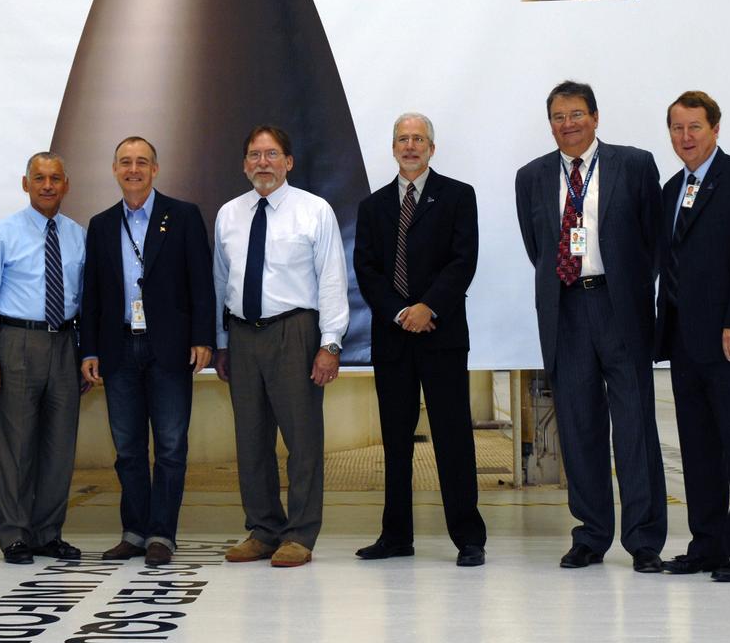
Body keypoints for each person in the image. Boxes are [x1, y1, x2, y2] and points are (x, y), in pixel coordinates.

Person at [514, 81, 667, 573]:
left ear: (596, 117)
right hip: (567, 312)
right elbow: (537, 247)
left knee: (634, 425)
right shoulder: (531, 176)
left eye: (577, 114)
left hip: (621, 309)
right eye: (558, 116)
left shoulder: (635, 164)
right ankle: (591, 535)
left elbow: (654, 240)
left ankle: (644, 540)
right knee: (578, 426)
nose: (568, 124)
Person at [353, 112, 487, 566]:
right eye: (402, 139)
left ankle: (469, 538)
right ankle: (396, 536)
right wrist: (399, 312)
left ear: (432, 147)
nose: (410, 146)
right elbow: (366, 270)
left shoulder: (457, 196)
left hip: (442, 334)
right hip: (393, 339)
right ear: (393, 148)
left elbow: (463, 259)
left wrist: (428, 307)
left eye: (419, 139)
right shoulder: (372, 207)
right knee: (394, 439)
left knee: (453, 436)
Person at [655, 90, 730, 583]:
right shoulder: (671, 190)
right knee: (698, 448)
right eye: (677, 129)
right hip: (686, 341)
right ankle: (707, 544)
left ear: (716, 129)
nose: (685, 138)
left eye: (695, 128)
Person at [213, 125, 349, 568]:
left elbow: (331, 279)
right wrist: (221, 342)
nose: (262, 163)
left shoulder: (314, 211)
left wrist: (330, 343)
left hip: (295, 332)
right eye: (254, 155)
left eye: (272, 154)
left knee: (302, 438)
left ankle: (300, 534)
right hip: (243, 336)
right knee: (250, 439)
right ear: (244, 164)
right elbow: (221, 281)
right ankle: (264, 528)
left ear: (289, 162)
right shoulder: (229, 214)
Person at [80, 137, 214, 567]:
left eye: (141, 162)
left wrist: (203, 338)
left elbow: (201, 282)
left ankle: (162, 534)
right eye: (125, 162)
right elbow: (93, 294)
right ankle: (134, 531)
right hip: (119, 349)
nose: (133, 169)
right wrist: (89, 350)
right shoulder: (100, 224)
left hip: (169, 348)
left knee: (172, 446)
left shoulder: (184, 215)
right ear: (114, 169)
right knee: (128, 449)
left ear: (155, 169)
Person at [0, 152, 87, 564]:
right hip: (17, 342)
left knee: (60, 447)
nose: (48, 185)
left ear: (66, 184)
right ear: (25, 183)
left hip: (65, 344)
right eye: (40, 178)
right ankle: (15, 534)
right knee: (15, 445)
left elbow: (83, 298)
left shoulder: (76, 235)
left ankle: (47, 533)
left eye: (56, 178)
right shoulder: (0, 235)